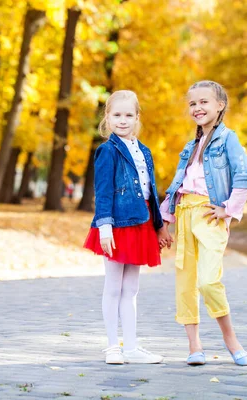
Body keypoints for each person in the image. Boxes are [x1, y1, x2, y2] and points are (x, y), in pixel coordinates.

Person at [160, 80, 247, 366]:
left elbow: (246, 173)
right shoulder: (190, 146)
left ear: (219, 105)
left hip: (208, 215)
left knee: (208, 280)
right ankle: (194, 345)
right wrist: (164, 220)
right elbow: (178, 185)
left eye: (204, 102)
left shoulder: (228, 139)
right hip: (184, 214)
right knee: (186, 281)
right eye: (192, 103)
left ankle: (231, 339)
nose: (197, 107)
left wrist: (228, 209)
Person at [83, 90, 171, 365]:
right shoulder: (107, 151)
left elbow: (150, 193)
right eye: (116, 115)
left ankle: (131, 347)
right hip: (117, 224)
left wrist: (158, 227)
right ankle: (112, 346)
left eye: (128, 115)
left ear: (137, 118)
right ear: (107, 118)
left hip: (141, 222)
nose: (122, 120)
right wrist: (105, 227)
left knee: (132, 288)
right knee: (113, 286)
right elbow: (104, 191)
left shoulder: (144, 150)